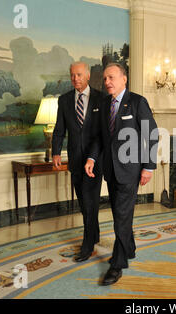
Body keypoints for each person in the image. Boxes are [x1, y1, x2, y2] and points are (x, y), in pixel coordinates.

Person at [85, 63, 158, 286]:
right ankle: (131, 248)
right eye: (105, 78)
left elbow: (152, 135)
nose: (107, 82)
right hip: (110, 170)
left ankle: (117, 265)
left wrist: (149, 166)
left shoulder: (137, 102)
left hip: (131, 170)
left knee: (122, 217)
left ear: (124, 79)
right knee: (121, 215)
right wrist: (92, 158)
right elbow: (100, 138)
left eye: (112, 77)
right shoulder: (104, 103)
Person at [52, 61, 105, 262]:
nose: (75, 79)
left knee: (90, 201)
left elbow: (102, 133)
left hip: (94, 161)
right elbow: (59, 129)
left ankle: (87, 244)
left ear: (88, 76)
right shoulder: (64, 100)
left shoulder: (101, 99)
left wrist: (96, 155)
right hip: (75, 160)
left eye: (79, 75)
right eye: (72, 75)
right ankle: (95, 233)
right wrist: (56, 152)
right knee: (84, 202)